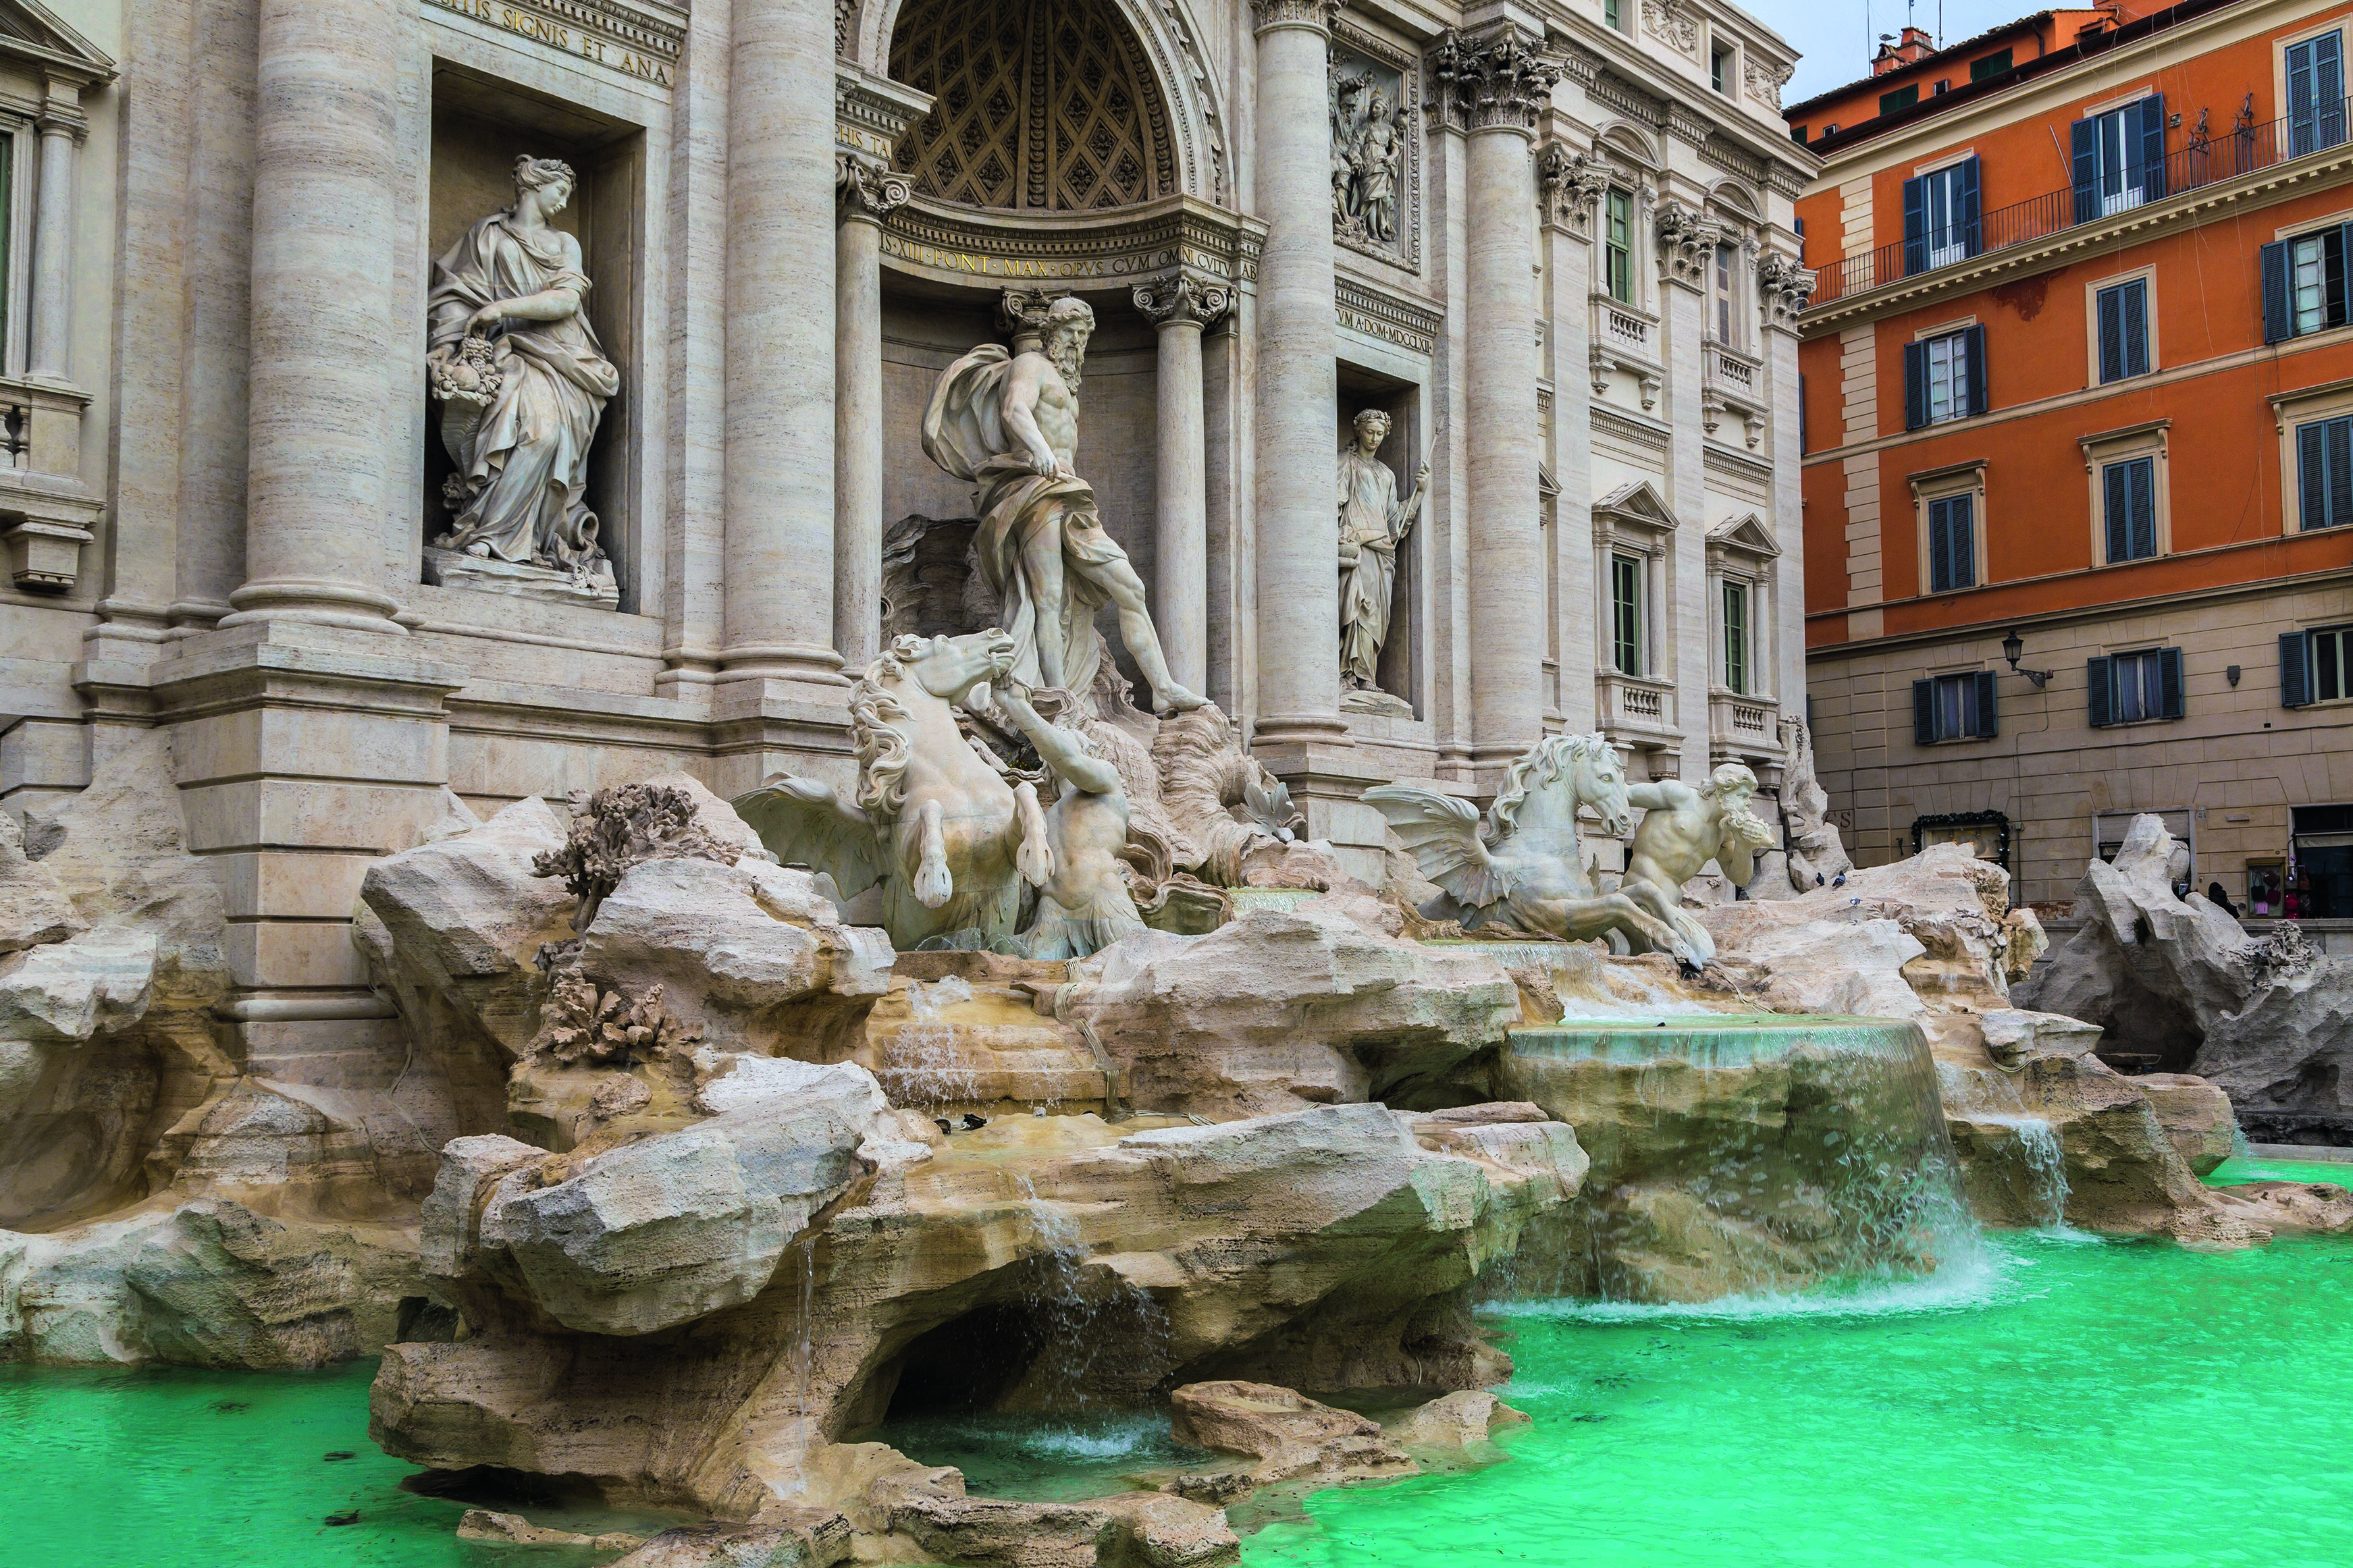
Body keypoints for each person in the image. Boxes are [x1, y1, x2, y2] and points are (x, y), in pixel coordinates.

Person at [921, 297, 1205, 715]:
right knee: (1047, 598)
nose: (1075, 343)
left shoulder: (1068, 384)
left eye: (1083, 336)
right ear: (1051, 334)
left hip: (1070, 492)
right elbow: (1014, 410)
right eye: (1069, 333)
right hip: (1035, 490)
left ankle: (1162, 686)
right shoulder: (1031, 366)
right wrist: (1040, 451)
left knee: (1131, 587)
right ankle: (1059, 698)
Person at [426, 156, 619, 574]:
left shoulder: (564, 243)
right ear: (534, 185)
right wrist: (445, 344)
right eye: (560, 192)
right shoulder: (487, 235)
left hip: (563, 354)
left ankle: (526, 537)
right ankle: (489, 533)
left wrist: (500, 308)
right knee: (520, 430)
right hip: (507, 352)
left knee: (545, 435)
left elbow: (567, 300)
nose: (564, 203)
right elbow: (456, 294)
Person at [1619, 763, 1778, 967]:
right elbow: (1626, 793)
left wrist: (1744, 845)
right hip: (1639, 890)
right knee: (1698, 954)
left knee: (1704, 953)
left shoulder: (1724, 833)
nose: (1749, 803)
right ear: (1723, 793)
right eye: (1743, 796)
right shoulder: (1680, 796)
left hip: (1671, 904)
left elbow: (1740, 878)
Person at [1336, 409, 1427, 692]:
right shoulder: (1345, 463)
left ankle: (1367, 676)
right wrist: (1347, 537)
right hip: (1358, 547)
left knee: (1375, 615)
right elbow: (1334, 505)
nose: (1374, 439)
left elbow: (1395, 525)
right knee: (1358, 608)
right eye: (1369, 432)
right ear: (1358, 431)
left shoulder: (1387, 474)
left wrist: (1419, 493)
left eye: (1379, 434)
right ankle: (1349, 675)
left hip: (1381, 554)